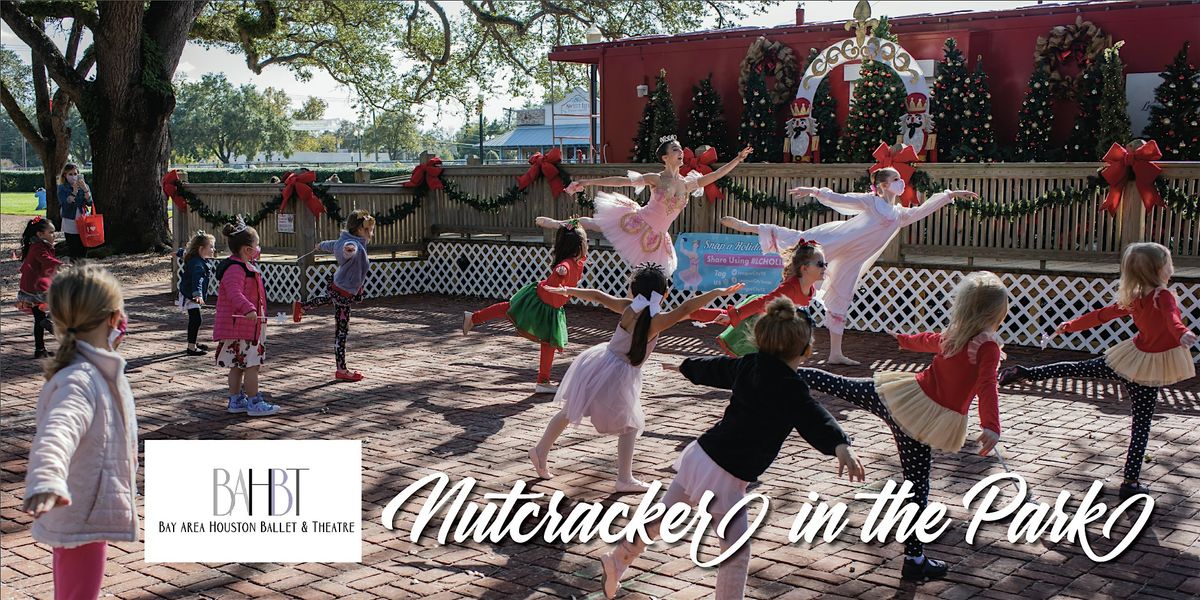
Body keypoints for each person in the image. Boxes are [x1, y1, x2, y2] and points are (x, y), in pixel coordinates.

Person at [598, 297, 866, 599]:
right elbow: (813, 415)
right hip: (725, 475)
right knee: (736, 555)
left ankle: (617, 560)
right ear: (806, 351)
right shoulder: (790, 387)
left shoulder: (751, 363)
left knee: (661, 517)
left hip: (701, 456)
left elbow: (719, 369)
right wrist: (841, 445)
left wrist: (685, 366)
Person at [796, 271, 1009, 581]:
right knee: (917, 488)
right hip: (922, 419)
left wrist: (905, 341)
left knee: (843, 385)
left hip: (903, 400)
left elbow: (930, 341)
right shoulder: (984, 345)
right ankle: (914, 559)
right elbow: (987, 384)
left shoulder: (958, 333)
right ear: (995, 312)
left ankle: (786, 375)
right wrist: (991, 426)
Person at [1000, 243, 1196, 499]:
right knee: (1141, 424)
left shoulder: (1136, 296)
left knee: (1078, 368)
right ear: (1159, 269)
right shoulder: (1162, 296)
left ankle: (1026, 372)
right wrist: (1183, 335)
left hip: (1130, 358)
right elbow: (1172, 320)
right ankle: (1130, 482)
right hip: (1150, 366)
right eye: (1169, 262)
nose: (1172, 267)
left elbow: (1102, 315)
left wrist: (1070, 326)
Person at [721, 168, 977, 364]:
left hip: (851, 259)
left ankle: (835, 354)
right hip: (835, 242)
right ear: (884, 185)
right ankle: (752, 227)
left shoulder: (899, 214)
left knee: (841, 297)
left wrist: (949, 196)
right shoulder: (871, 201)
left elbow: (922, 210)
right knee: (799, 240)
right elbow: (842, 199)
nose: (902, 183)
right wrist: (815, 192)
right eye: (897, 179)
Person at [529, 264, 744, 492]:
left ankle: (540, 450)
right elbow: (688, 307)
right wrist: (718, 293)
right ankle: (623, 479)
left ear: (633, 290)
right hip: (619, 373)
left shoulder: (628, 306)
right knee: (629, 425)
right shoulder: (658, 320)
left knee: (573, 408)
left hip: (601, 362)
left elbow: (596, 295)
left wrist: (567, 290)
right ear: (665, 293)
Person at [23, 263, 135, 600]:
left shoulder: (91, 367)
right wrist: (46, 479)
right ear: (114, 317)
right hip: (81, 511)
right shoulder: (81, 379)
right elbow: (58, 432)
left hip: (80, 507)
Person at [536, 137, 752, 275]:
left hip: (658, 236)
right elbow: (622, 181)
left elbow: (715, 174)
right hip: (640, 222)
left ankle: (633, 306)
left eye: (680, 150)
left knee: (649, 274)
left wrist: (737, 159)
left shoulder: (687, 184)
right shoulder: (656, 179)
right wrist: (588, 182)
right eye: (675, 150)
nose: (681, 152)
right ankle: (559, 223)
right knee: (596, 224)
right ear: (666, 157)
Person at [463, 221, 588, 393]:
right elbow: (563, 268)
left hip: (552, 308)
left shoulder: (578, 262)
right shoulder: (566, 264)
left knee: (548, 341)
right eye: (586, 241)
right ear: (579, 246)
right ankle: (473, 318)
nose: (587, 245)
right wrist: (561, 271)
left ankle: (542, 382)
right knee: (509, 309)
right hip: (539, 301)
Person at [690, 239, 826, 357]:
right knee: (727, 318)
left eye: (825, 264)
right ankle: (689, 313)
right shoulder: (790, 288)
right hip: (761, 313)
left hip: (774, 321)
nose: (824, 268)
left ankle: (689, 313)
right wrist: (736, 315)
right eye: (820, 264)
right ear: (805, 268)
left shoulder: (810, 289)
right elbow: (763, 303)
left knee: (726, 317)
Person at [293, 210, 375, 382]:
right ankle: (341, 369)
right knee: (342, 331)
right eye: (369, 229)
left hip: (342, 287)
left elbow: (333, 244)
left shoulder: (352, 241)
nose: (371, 233)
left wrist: (321, 245)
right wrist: (349, 251)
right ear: (360, 229)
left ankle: (303, 306)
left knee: (330, 299)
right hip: (344, 289)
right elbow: (345, 249)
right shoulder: (352, 244)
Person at [214, 216, 278, 416]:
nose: (258, 249)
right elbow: (234, 292)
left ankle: (235, 400)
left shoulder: (241, 266)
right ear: (246, 249)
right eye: (256, 245)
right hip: (243, 327)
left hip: (241, 326)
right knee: (251, 365)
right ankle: (253, 402)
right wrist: (248, 308)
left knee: (237, 365)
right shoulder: (236, 268)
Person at [18, 216, 63, 359]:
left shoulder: (36, 245)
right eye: (51, 232)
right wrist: (60, 265)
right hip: (36, 288)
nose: (54, 235)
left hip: (31, 287)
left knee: (39, 319)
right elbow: (46, 259)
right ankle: (50, 320)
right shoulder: (39, 247)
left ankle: (40, 349)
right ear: (40, 234)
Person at [177, 230, 216, 356]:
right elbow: (197, 279)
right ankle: (191, 347)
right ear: (201, 249)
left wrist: (177, 253)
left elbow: (185, 253)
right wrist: (197, 294)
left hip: (189, 292)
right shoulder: (198, 264)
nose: (213, 249)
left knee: (195, 319)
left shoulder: (195, 258)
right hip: (190, 294)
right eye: (211, 246)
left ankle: (192, 342)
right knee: (196, 319)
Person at [56, 163, 93, 259]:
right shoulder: (62, 188)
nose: (73, 177)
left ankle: (83, 270)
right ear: (65, 175)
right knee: (73, 248)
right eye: (70, 174)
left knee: (84, 248)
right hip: (69, 220)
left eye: (75, 174)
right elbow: (65, 204)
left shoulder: (85, 186)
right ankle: (74, 271)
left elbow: (89, 202)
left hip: (83, 220)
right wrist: (74, 191)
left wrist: (85, 189)